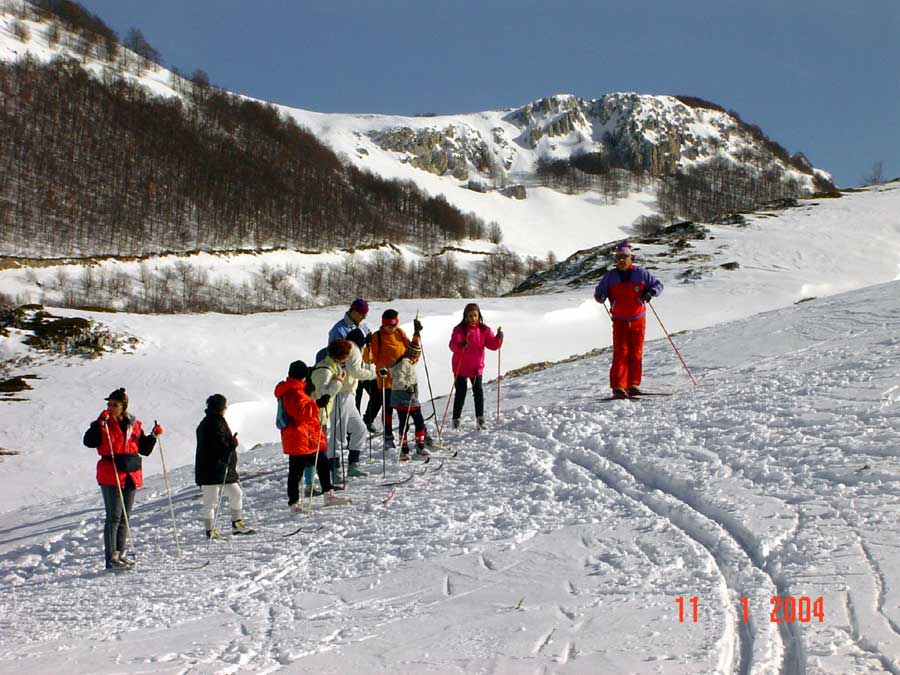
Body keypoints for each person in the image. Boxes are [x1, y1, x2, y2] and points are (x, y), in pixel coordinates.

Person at [82, 388, 160, 570]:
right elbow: (89, 441)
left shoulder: (135, 425)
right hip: (111, 472)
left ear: (123, 406)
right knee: (114, 517)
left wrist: (153, 436)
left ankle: (121, 553)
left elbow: (144, 450)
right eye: (109, 404)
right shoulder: (103, 424)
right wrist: (98, 424)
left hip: (131, 473)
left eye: (114, 404)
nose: (110, 407)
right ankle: (111, 558)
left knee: (125, 516)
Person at [592, 240, 664, 399]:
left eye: (624, 256)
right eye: (618, 257)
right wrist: (600, 296)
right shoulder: (610, 276)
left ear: (631, 258)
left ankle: (632, 385)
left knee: (636, 353)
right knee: (621, 352)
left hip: (638, 319)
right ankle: (618, 386)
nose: (621, 260)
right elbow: (599, 292)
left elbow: (658, 285)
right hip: (620, 321)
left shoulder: (641, 273)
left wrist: (650, 292)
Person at [274, 360, 349, 510]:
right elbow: (302, 413)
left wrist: (313, 401)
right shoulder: (293, 392)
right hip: (301, 436)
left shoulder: (293, 389)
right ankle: (296, 502)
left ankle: (325, 494)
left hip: (304, 436)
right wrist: (317, 405)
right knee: (297, 471)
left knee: (320, 464)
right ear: (303, 376)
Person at [195, 394, 254, 539]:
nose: (225, 409)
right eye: (224, 406)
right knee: (211, 501)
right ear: (220, 408)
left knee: (235, 493)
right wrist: (232, 443)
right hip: (212, 470)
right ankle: (211, 531)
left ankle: (236, 524)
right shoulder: (213, 423)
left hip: (222, 469)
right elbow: (218, 446)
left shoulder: (212, 421)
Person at [363, 309, 421, 448]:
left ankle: (408, 435)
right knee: (388, 410)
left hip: (403, 381)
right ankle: (388, 437)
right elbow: (369, 359)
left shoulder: (400, 333)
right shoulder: (377, 337)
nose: (392, 328)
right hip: (386, 381)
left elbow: (411, 351)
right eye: (389, 326)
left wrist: (416, 335)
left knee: (407, 410)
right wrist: (368, 346)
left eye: (394, 325)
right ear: (383, 324)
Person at [449, 303, 503, 430]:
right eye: (470, 316)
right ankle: (456, 420)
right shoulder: (459, 329)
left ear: (479, 315)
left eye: (475, 315)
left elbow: (493, 345)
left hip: (476, 368)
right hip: (460, 367)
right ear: (465, 316)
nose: (473, 318)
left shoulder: (484, 330)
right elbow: (452, 345)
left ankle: (480, 420)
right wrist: (461, 345)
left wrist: (499, 337)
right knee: (460, 394)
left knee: (478, 393)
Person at [310, 340, 351, 485]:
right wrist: (339, 382)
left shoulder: (333, 368)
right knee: (318, 452)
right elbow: (323, 394)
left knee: (320, 451)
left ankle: (323, 483)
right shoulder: (325, 370)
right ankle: (319, 484)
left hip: (322, 415)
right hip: (317, 415)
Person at [339, 328, 377, 477]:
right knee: (339, 433)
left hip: (347, 393)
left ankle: (352, 464)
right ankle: (336, 469)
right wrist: (373, 375)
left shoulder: (345, 347)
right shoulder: (353, 349)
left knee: (359, 428)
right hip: (343, 394)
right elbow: (355, 371)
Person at [388, 340, 430, 461]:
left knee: (414, 422)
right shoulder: (404, 363)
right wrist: (407, 386)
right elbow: (398, 379)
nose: (417, 359)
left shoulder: (407, 363)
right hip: (404, 397)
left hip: (408, 398)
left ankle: (415, 445)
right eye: (417, 355)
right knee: (411, 422)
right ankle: (407, 448)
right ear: (413, 355)